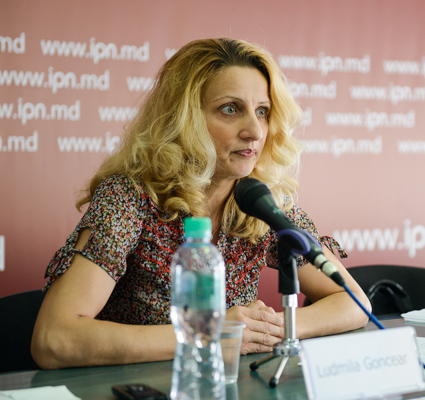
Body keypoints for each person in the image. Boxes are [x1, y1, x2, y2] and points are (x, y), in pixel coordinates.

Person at [31, 38, 370, 369]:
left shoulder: (259, 201)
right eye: (230, 109)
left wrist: (270, 329)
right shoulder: (130, 197)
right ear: (183, 118)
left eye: (262, 112)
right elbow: (54, 339)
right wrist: (207, 335)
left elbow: (354, 304)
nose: (254, 131)